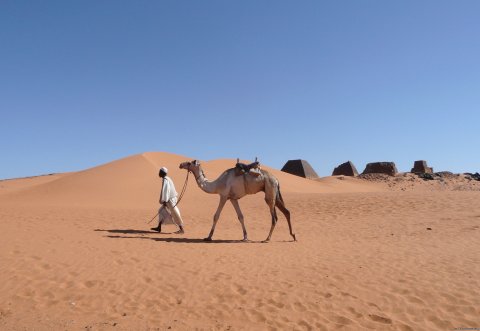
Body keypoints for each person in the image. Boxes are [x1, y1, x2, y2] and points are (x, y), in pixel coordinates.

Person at [150, 167, 185, 234]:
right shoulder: (167, 179)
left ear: (162, 173)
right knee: (161, 211)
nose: (159, 173)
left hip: (170, 199)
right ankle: (159, 227)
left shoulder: (166, 180)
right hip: (169, 199)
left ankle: (181, 229)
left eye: (160, 172)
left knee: (175, 213)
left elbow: (166, 190)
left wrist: (165, 200)